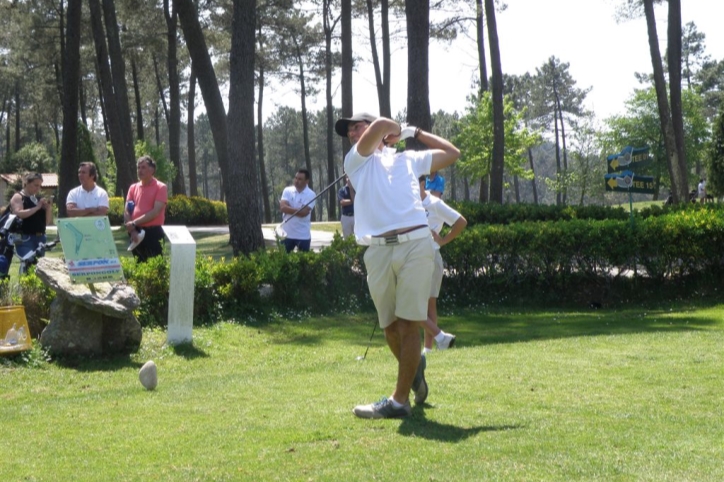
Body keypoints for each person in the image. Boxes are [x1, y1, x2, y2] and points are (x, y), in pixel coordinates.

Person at [334, 112, 459, 419]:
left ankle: (399, 401)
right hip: (377, 250)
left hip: (416, 245)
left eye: (357, 126)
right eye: (349, 131)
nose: (352, 133)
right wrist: (392, 129)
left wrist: (412, 131)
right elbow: (380, 127)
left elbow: (451, 153)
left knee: (407, 324)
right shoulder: (356, 161)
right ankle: (416, 372)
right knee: (389, 328)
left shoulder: (408, 160)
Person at [418, 175, 467, 354]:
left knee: (427, 305)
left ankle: (429, 348)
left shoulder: (434, 203)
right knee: (414, 305)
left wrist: (443, 240)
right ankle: (439, 340)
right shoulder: (409, 203)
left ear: (422, 184)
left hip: (431, 257)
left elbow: (461, 222)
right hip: (415, 259)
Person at [124, 156, 168, 262]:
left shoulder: (161, 187)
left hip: (153, 232)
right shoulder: (133, 188)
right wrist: (133, 230)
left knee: (155, 266)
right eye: (138, 168)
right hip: (135, 232)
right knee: (139, 264)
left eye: (143, 167)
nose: (140, 170)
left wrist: (134, 223)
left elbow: (155, 212)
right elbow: (127, 210)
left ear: (152, 170)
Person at [9, 172, 54, 272]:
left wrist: (48, 209)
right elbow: (19, 213)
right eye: (35, 185)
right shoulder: (18, 197)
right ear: (26, 183)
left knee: (39, 268)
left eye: (40, 186)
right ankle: (24, 287)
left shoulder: (37, 199)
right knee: (28, 263)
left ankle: (34, 288)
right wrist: (37, 207)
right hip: (25, 238)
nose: (38, 188)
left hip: (40, 238)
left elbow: (47, 222)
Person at [279, 169, 316, 253]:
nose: (296, 181)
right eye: (296, 178)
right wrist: (299, 210)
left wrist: (288, 207)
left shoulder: (311, 194)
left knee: (303, 263)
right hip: (286, 234)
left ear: (307, 181)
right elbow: (282, 208)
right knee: (283, 262)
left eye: (300, 179)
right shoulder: (287, 190)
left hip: (303, 236)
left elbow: (304, 213)